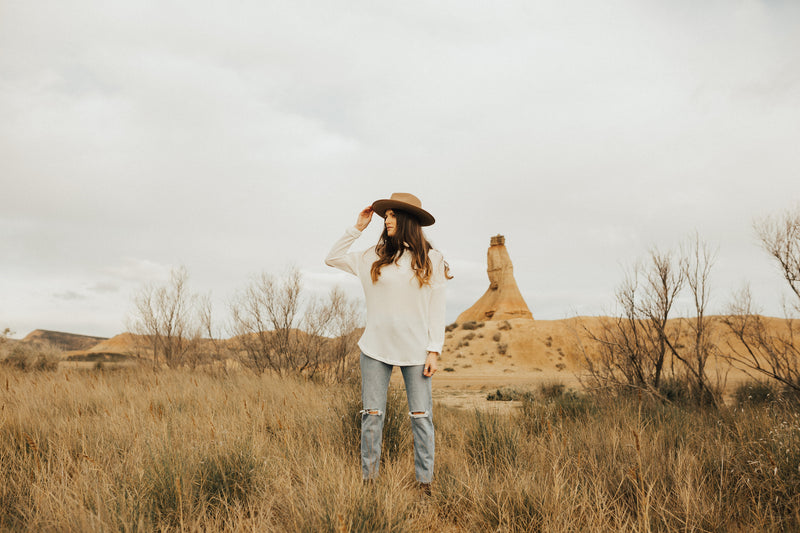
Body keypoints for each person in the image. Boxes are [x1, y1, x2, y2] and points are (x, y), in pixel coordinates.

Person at [325, 192, 451, 492]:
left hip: (417, 350)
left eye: (393, 215)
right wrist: (358, 227)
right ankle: (370, 482)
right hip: (375, 349)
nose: (387, 220)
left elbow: (438, 307)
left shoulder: (430, 258)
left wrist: (435, 349)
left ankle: (425, 484)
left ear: (407, 220)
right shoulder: (373, 255)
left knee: (421, 419)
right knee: (372, 417)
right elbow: (332, 258)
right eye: (386, 215)